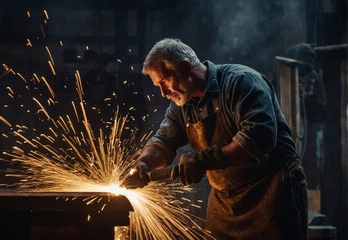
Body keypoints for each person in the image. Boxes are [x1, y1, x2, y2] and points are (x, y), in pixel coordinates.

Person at [122, 38, 308, 240]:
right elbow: (163, 142)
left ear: (185, 67)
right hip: (226, 201)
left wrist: (203, 160)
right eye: (158, 86)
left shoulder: (241, 82)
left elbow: (258, 137)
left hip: (272, 194)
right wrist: (144, 163)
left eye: (165, 81)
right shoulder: (182, 106)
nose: (163, 92)